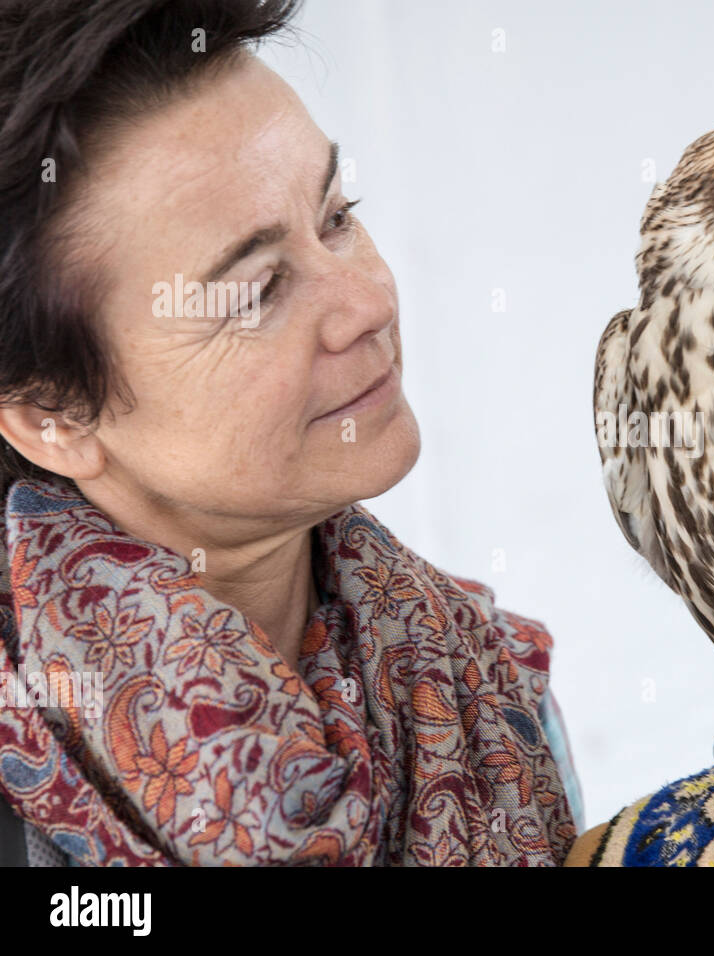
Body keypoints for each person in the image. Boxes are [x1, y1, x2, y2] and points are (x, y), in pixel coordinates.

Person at [0, 0, 581, 865]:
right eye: (257, 291)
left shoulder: (484, 684)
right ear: (55, 417)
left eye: (339, 215)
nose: (370, 303)